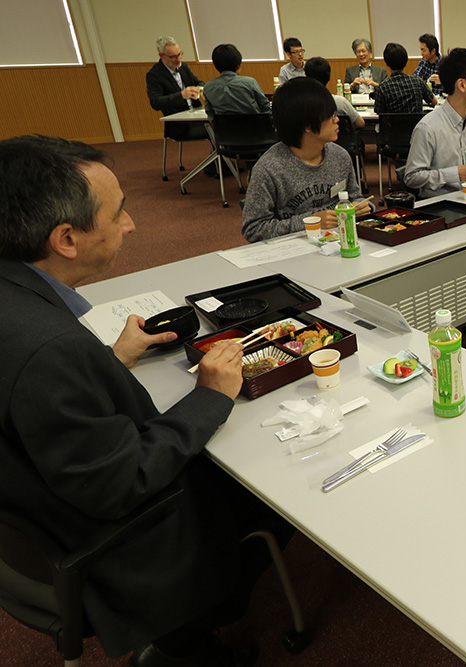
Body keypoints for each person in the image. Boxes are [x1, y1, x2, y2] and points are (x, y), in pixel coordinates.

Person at [0, 135, 293, 666]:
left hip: (32, 516)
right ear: (66, 238)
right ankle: (187, 636)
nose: (131, 226)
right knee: (275, 490)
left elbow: (41, 413)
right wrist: (209, 395)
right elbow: (121, 484)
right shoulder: (50, 350)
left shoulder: (20, 310)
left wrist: (110, 363)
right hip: (105, 540)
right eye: (119, 214)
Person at [242, 77, 371, 243]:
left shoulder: (340, 156)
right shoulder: (269, 169)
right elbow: (253, 229)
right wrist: (311, 221)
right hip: (292, 253)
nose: (337, 119)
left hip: (340, 244)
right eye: (331, 116)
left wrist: (361, 206)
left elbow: (355, 198)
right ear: (308, 126)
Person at [404, 48, 466, 199]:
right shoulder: (428, 127)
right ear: (462, 85)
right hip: (439, 206)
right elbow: (412, 177)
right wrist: (454, 174)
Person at [146, 36, 208, 142]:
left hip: (196, 115)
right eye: (173, 57)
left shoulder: (183, 67)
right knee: (217, 129)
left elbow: (199, 82)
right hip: (178, 124)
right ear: (161, 56)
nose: (178, 59)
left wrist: (199, 88)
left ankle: (221, 156)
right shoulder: (154, 75)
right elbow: (155, 102)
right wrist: (181, 96)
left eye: (179, 54)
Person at [202, 44, 270, 120]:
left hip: (225, 131)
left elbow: (210, 114)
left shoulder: (208, 87)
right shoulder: (249, 82)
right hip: (256, 129)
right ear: (238, 65)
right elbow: (265, 107)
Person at [304, 56, 366, 130]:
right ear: (329, 77)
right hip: (343, 140)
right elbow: (360, 123)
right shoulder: (339, 102)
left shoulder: (302, 103)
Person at [374, 42, 436, 114]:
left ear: (386, 63)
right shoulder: (418, 82)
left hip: (394, 125)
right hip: (416, 125)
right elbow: (434, 102)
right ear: (406, 61)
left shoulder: (382, 88)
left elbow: (379, 112)